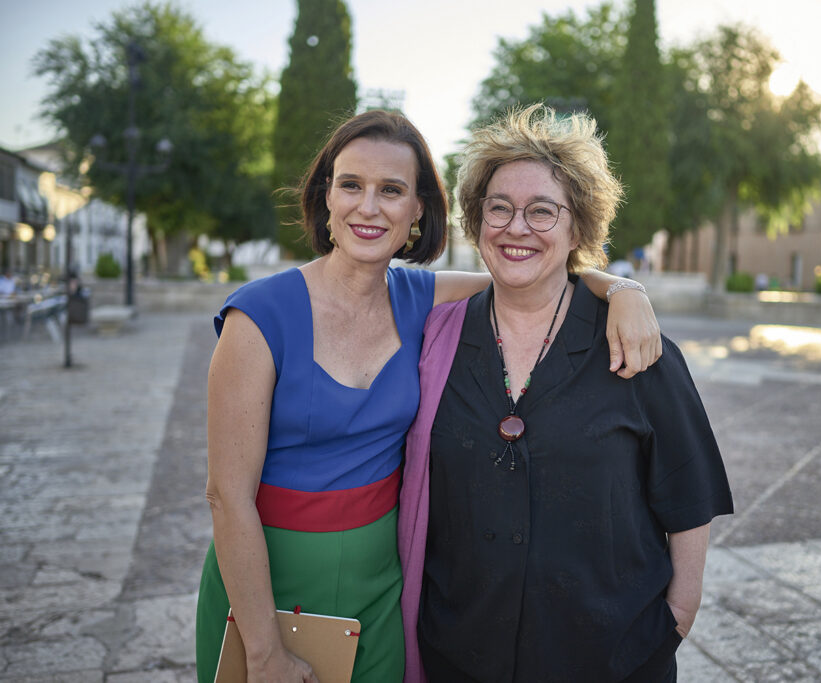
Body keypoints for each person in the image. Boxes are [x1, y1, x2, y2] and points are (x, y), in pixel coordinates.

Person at [194, 109, 663, 683]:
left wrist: (623, 287)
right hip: (266, 584)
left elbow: (531, 273)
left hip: (383, 589)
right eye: (351, 185)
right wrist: (265, 650)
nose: (369, 207)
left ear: (418, 209)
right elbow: (226, 496)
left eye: (391, 190)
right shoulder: (259, 315)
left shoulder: (421, 298)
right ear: (326, 197)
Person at [399, 104, 733, 683]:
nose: (517, 227)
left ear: (579, 226)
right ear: (477, 222)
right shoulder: (435, 341)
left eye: (542, 211)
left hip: (611, 659)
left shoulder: (637, 348)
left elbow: (689, 496)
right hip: (459, 655)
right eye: (498, 208)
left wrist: (676, 617)